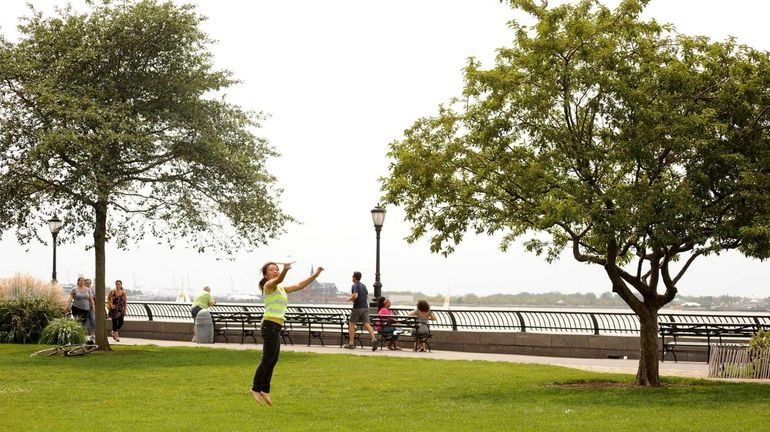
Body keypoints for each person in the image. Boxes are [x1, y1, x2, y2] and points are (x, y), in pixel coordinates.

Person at [251, 262, 324, 407]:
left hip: (276, 327)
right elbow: (278, 280)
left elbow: (299, 286)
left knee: (273, 359)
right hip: (269, 325)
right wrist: (285, 270)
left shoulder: (281, 289)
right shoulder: (269, 286)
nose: (275, 271)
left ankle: (265, 389)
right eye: (271, 270)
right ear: (265, 275)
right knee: (267, 359)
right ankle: (255, 388)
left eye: (276, 269)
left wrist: (315, 275)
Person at [344, 271, 378, 351]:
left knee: (351, 324)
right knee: (366, 324)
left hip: (357, 308)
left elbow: (355, 296)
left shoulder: (355, 285)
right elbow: (366, 297)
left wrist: (349, 299)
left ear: (354, 277)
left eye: (352, 276)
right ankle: (373, 339)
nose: (352, 277)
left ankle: (351, 343)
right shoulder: (364, 286)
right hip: (365, 307)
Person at [69, 276, 95, 341]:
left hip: (86, 309)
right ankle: (78, 336)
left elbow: (91, 299)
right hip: (76, 308)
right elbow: (70, 298)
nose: (82, 282)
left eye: (83, 281)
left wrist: (93, 306)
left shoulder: (88, 290)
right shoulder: (74, 289)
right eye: (81, 281)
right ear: (78, 282)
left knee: (83, 323)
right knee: (78, 322)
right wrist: (67, 306)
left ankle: (82, 336)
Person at [84, 278, 96, 343]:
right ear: (85, 283)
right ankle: (84, 336)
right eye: (87, 283)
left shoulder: (92, 290)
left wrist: (94, 306)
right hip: (84, 308)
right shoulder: (83, 290)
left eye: (90, 283)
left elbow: (95, 298)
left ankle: (92, 335)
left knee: (93, 321)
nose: (89, 284)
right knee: (86, 322)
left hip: (91, 308)